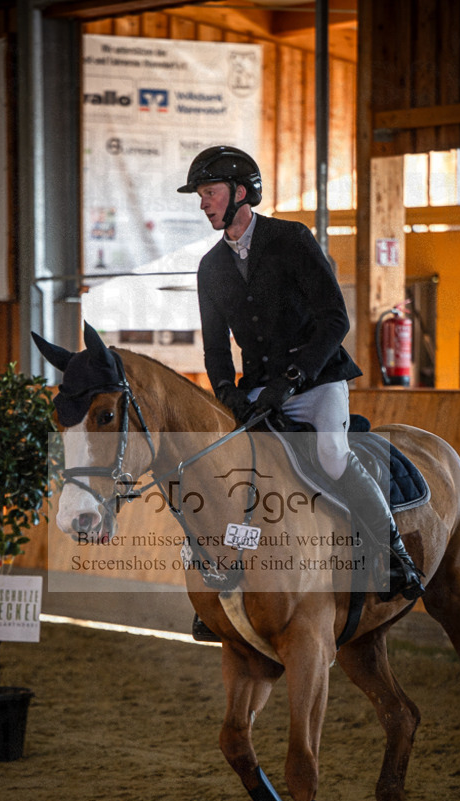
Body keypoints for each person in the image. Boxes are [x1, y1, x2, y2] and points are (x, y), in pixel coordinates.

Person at [177, 145, 424, 624]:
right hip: (255, 391)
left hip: (317, 380)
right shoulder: (210, 267)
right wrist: (227, 392)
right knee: (225, 467)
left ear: (240, 193)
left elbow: (336, 319)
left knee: (331, 455)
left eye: (209, 193)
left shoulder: (291, 240)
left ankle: (394, 557)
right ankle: (221, 579)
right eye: (202, 196)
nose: (203, 204)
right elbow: (214, 349)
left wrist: (292, 380)